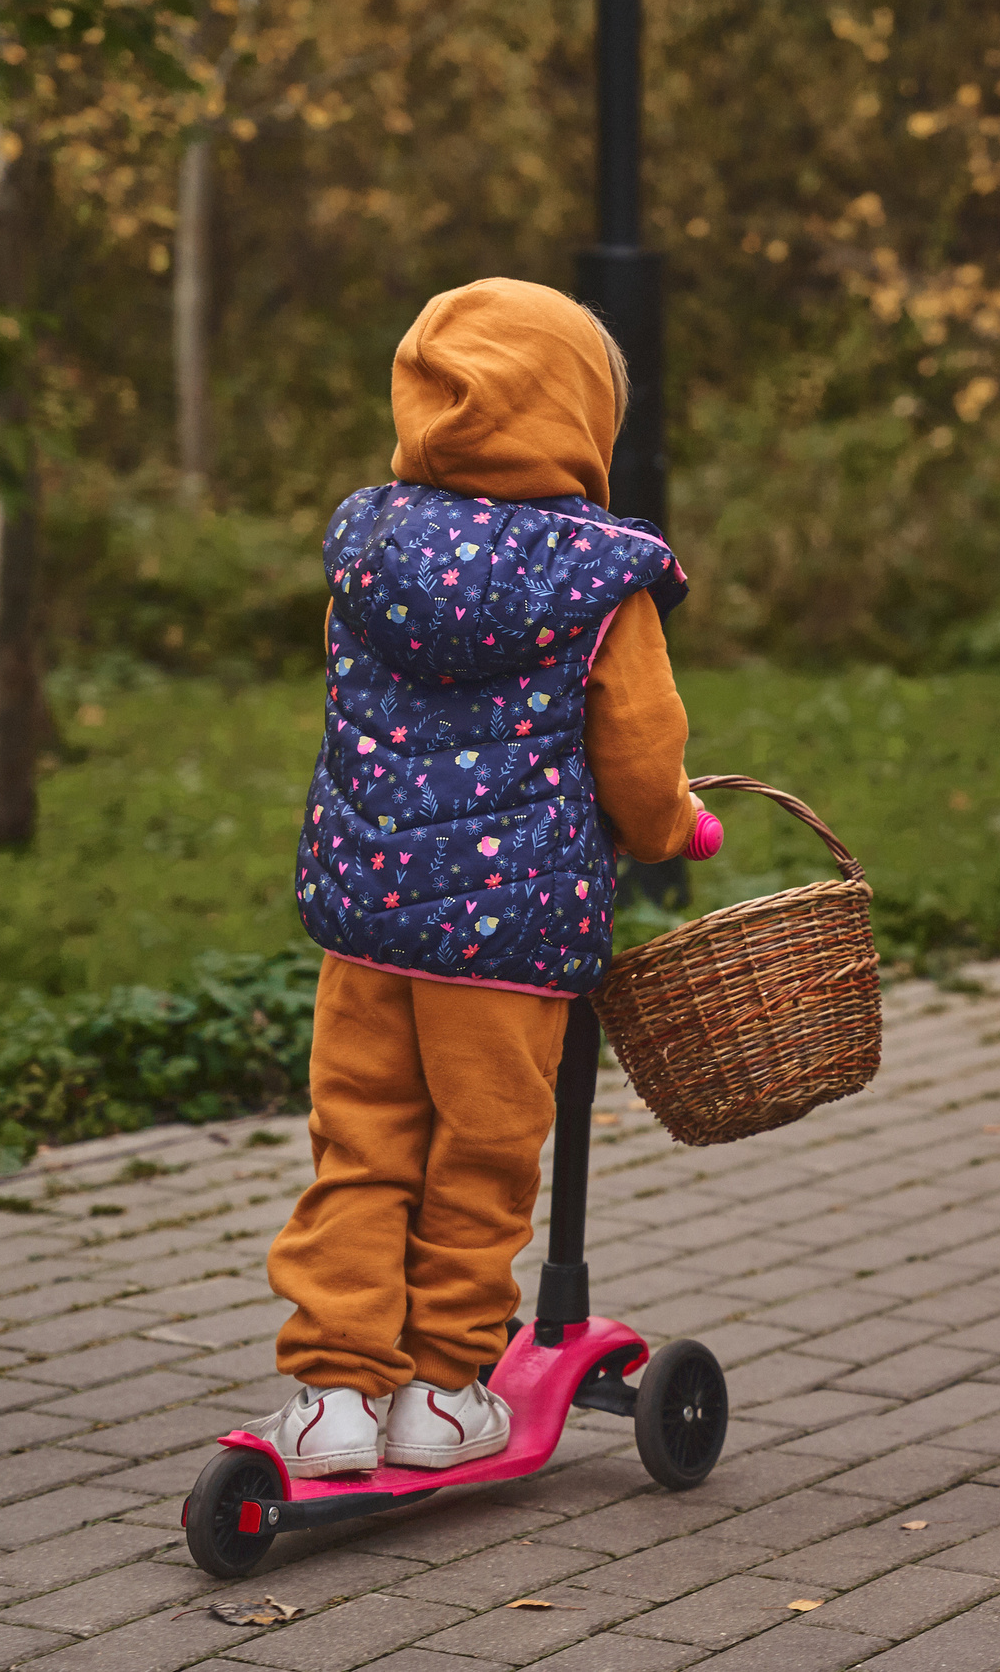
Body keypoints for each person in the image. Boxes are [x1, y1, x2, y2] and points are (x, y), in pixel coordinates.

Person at [248, 278, 717, 1478]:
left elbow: (356, 702)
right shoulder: (599, 576)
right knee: (483, 1151)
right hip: (509, 938)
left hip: (366, 916)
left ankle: (332, 1393)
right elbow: (639, 749)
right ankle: (444, 1387)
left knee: (358, 1142)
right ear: (577, 412)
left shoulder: (369, 546)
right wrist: (671, 831)